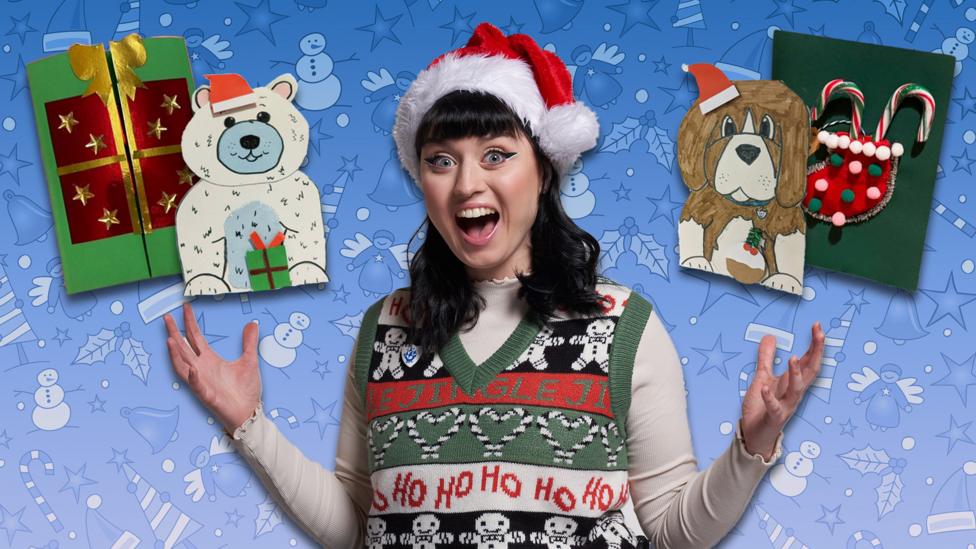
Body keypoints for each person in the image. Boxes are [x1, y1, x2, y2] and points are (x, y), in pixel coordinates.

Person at [164, 23, 825, 549]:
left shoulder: (622, 325)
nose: (467, 184)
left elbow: (675, 531)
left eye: (497, 155)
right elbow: (355, 525)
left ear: (544, 170)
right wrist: (247, 423)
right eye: (441, 160)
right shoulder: (387, 328)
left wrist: (753, 445)